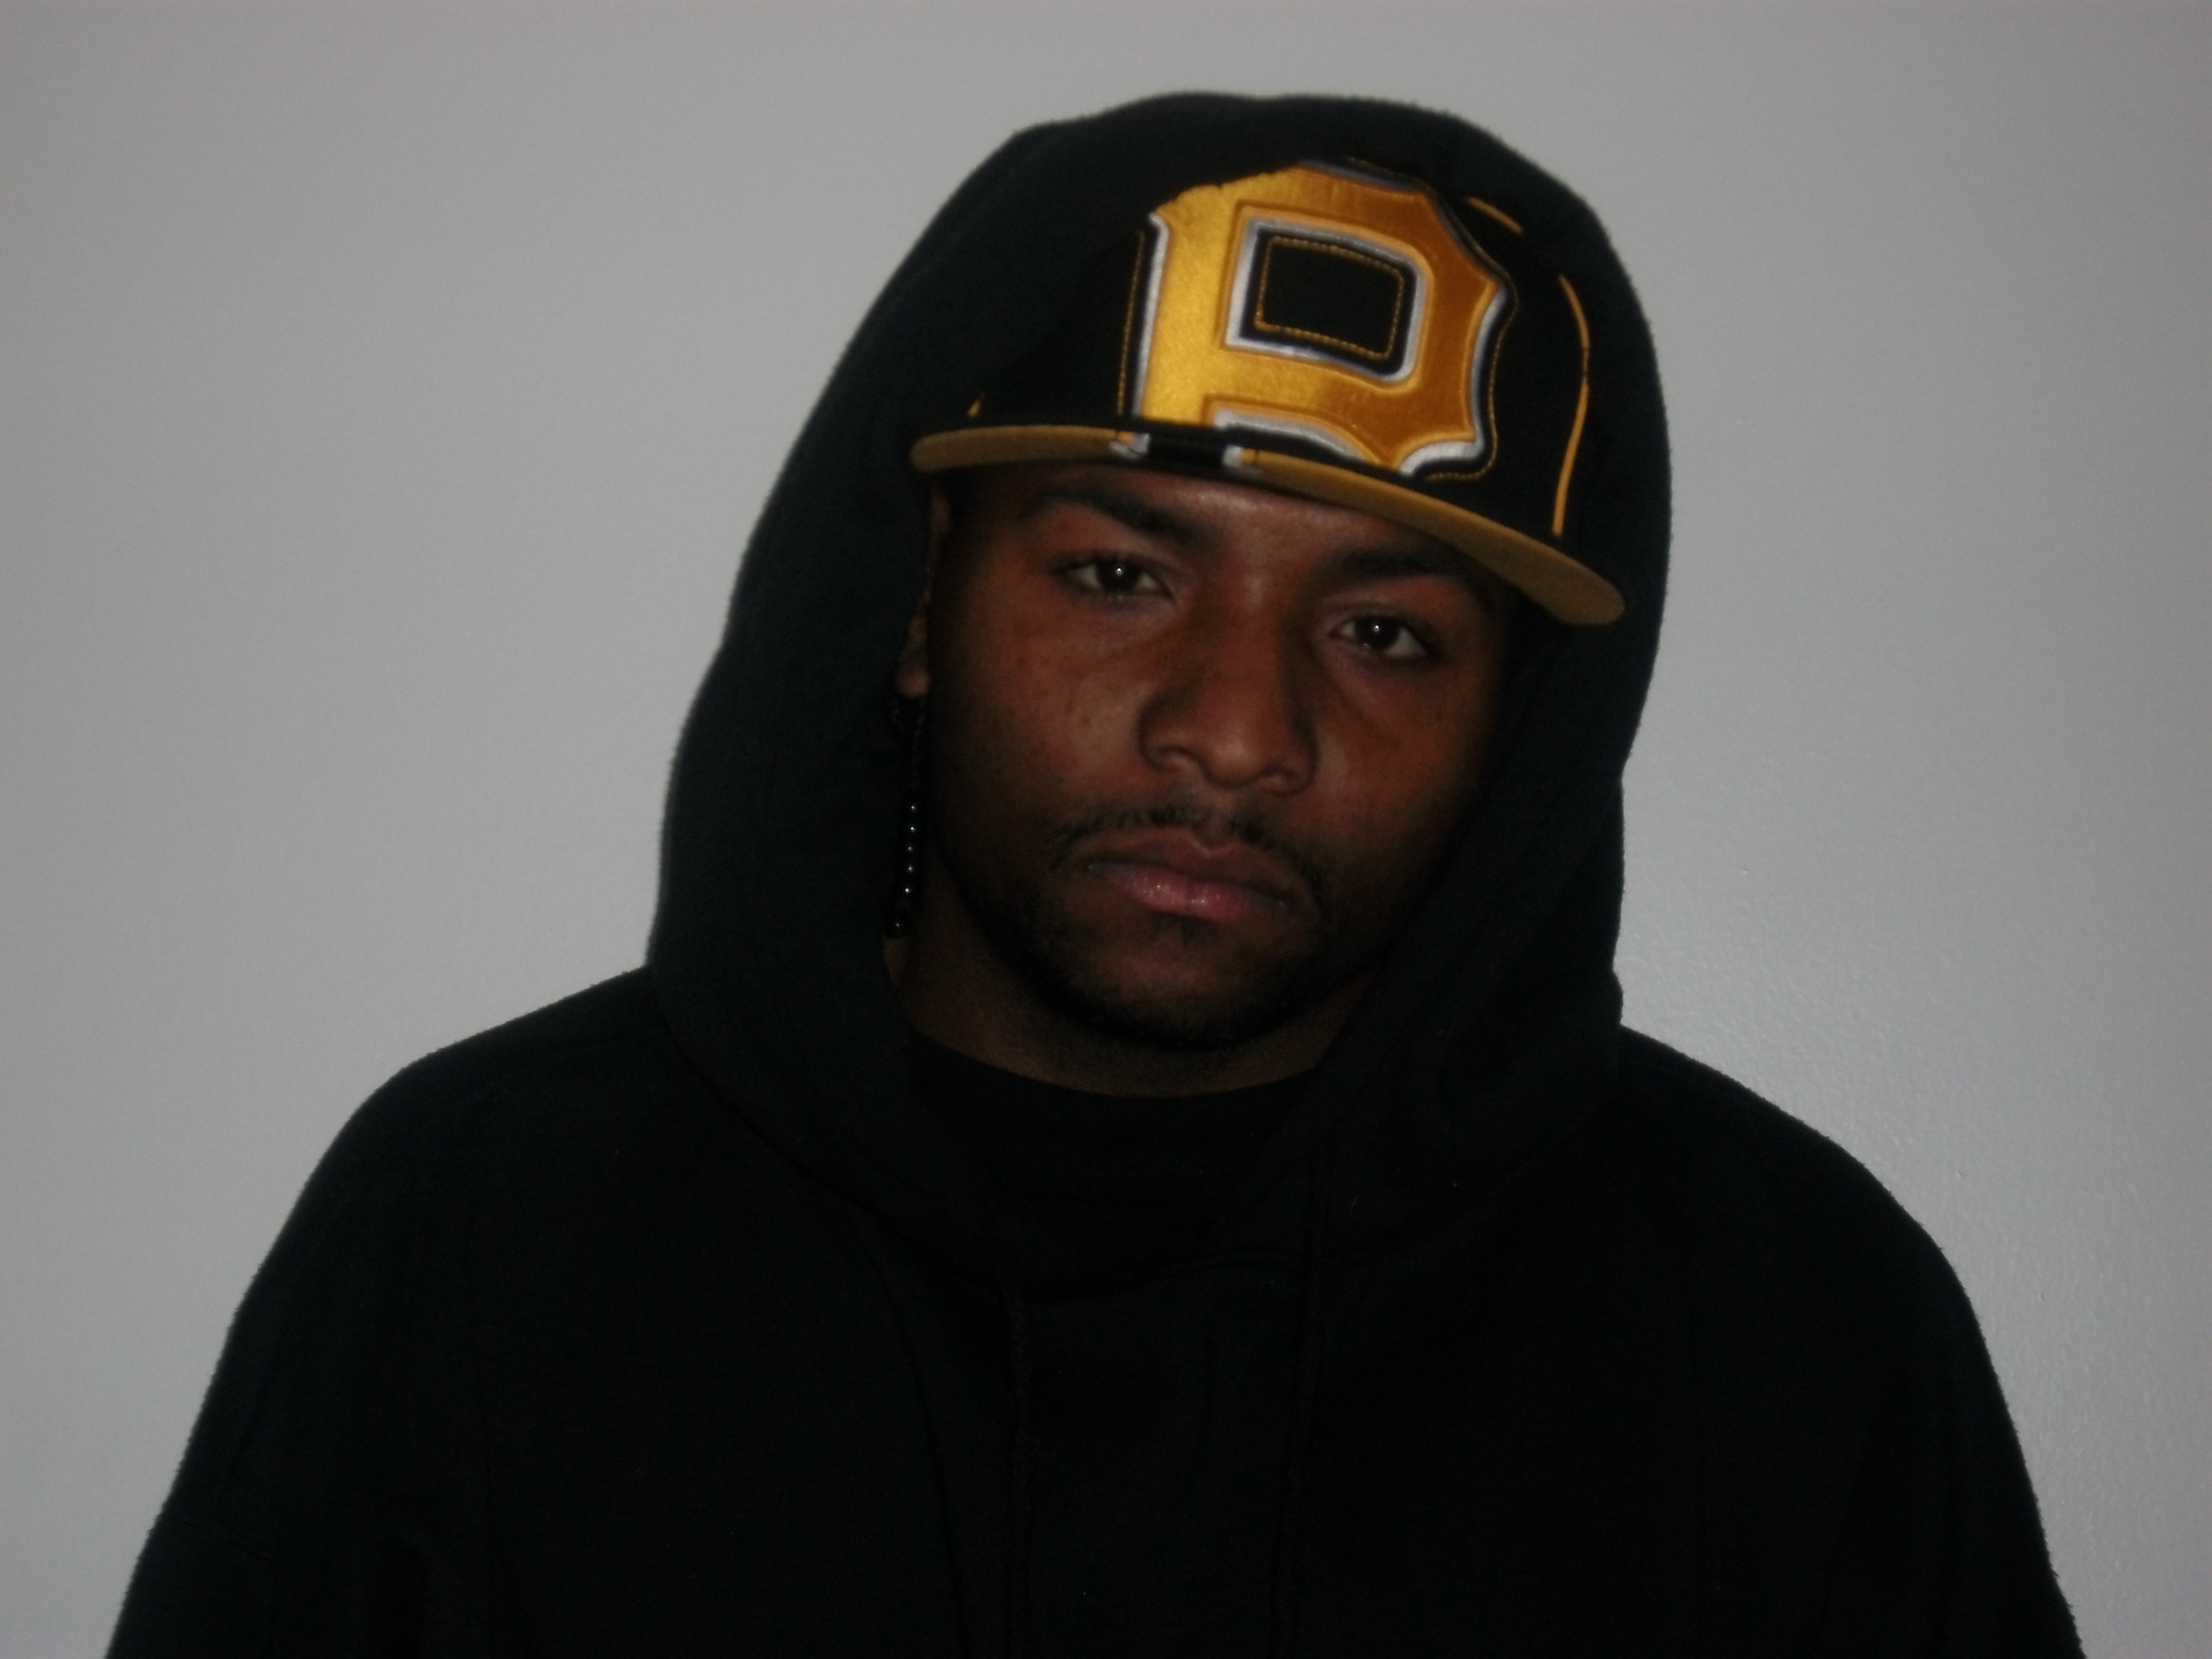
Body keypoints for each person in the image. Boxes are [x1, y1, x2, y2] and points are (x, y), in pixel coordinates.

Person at [110, 93, 2080, 1657]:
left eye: (1384, 631)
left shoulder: (1780, 1313)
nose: (1236, 727)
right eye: (1123, 572)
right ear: (917, 607)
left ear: (1523, 726)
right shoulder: (488, 1228)